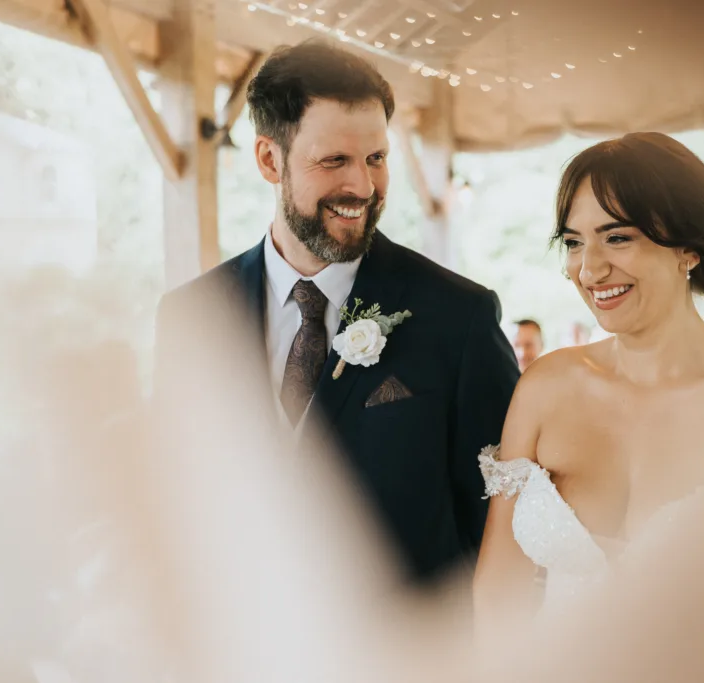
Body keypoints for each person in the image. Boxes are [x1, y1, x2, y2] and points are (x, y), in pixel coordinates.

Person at [153, 40, 519, 587]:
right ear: (269, 160)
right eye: (335, 161)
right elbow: (176, 498)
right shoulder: (192, 317)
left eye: (376, 158)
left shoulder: (459, 316)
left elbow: (499, 525)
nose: (364, 188)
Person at [472, 132, 704, 625]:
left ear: (689, 249)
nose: (589, 269)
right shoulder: (546, 388)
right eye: (574, 243)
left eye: (617, 238)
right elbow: (497, 591)